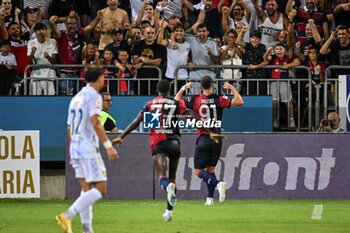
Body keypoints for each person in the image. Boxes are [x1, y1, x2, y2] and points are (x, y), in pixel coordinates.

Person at [112, 80, 189, 222]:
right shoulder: (177, 103)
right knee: (172, 180)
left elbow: (137, 121)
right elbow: (188, 115)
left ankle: (168, 190)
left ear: (157, 90)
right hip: (175, 143)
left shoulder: (150, 104)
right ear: (169, 90)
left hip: (159, 143)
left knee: (163, 178)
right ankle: (169, 212)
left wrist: (121, 136)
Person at [56, 65, 118, 233]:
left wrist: (72, 150)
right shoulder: (94, 97)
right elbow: (96, 123)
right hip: (88, 149)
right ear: (99, 78)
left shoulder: (75, 98)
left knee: (86, 191)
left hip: (75, 147)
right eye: (103, 76)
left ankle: (87, 230)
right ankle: (68, 215)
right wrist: (108, 146)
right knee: (100, 189)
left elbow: (69, 128)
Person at [174, 76, 244, 206]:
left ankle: (218, 185)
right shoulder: (219, 99)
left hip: (204, 136)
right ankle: (210, 199)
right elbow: (239, 101)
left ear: (200, 86)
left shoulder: (194, 99)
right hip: (217, 138)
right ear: (213, 86)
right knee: (211, 170)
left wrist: (184, 88)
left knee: (199, 171)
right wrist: (231, 87)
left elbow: (176, 101)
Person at [27, 22, 58, 95]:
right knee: (35, 100)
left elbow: (54, 62)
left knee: (50, 100)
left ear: (46, 31)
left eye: (43, 30)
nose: (41, 32)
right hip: (36, 76)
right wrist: (32, 53)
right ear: (35, 32)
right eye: (39, 30)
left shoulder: (52, 41)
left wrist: (48, 57)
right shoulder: (31, 43)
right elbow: (29, 63)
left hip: (49, 75)